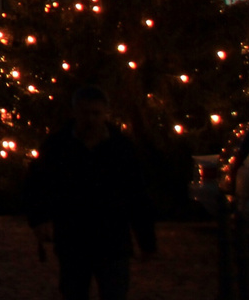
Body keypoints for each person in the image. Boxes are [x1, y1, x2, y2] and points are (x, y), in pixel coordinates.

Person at [27, 86, 156, 300]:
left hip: (112, 239)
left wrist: (146, 240)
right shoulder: (58, 146)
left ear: (105, 113)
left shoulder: (121, 148)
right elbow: (37, 184)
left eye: (96, 113)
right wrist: (39, 219)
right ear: (75, 112)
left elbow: (137, 194)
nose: (90, 119)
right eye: (85, 113)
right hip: (73, 238)